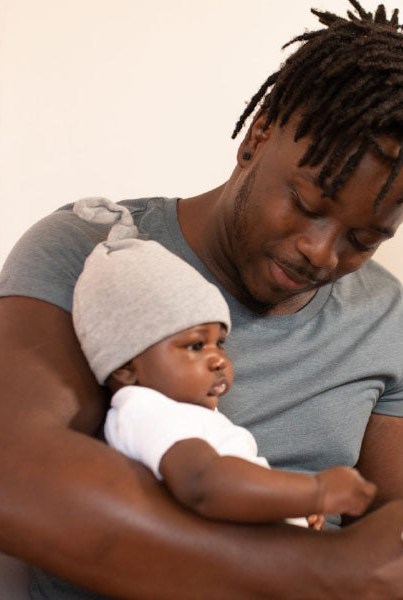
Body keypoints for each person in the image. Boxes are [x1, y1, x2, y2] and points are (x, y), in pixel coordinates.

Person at [0, 2, 403, 598]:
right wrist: (323, 573)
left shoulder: (384, 316)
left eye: (364, 239)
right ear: (257, 137)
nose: (322, 253)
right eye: (307, 204)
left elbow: (379, 520)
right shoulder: (96, 251)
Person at [71, 197, 375, 530]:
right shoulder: (144, 412)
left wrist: (288, 510)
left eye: (220, 343)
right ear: (126, 366)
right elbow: (203, 484)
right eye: (196, 345)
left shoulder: (183, 413)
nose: (217, 359)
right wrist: (313, 492)